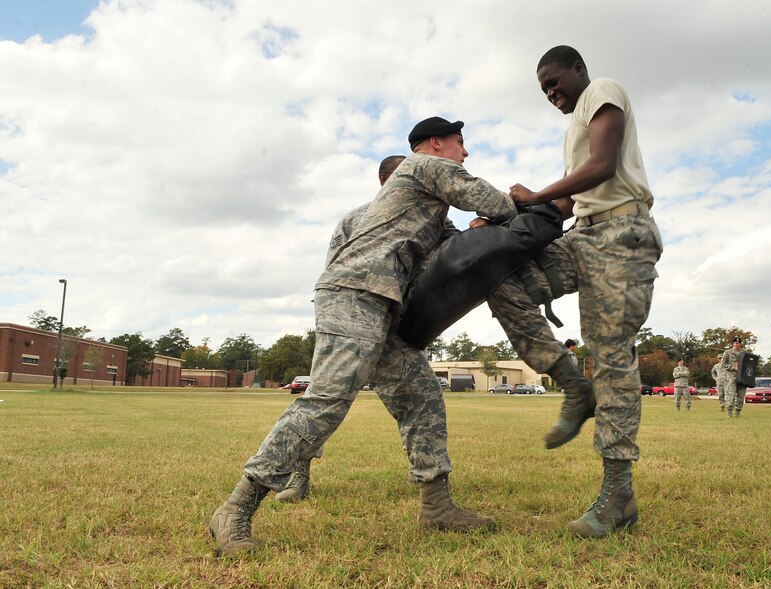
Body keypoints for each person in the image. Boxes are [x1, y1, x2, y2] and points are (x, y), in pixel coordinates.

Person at [209, 117, 518, 556]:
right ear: (435, 143)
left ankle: (437, 505)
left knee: (422, 395)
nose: (464, 153)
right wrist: (526, 202)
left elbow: (453, 249)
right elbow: (490, 200)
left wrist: (478, 234)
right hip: (355, 295)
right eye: (460, 144)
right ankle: (236, 509)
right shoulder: (422, 166)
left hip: (384, 305)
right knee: (328, 400)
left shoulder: (426, 210)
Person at [487, 45, 662, 538]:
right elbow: (565, 203)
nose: (550, 93)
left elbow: (603, 165)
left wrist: (535, 193)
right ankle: (572, 384)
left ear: (578, 70)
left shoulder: (601, 92)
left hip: (621, 236)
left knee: (610, 357)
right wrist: (506, 217)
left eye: (554, 81)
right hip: (583, 235)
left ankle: (618, 498)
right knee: (499, 277)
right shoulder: (572, 131)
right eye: (542, 89)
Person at [275, 155, 409, 503]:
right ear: (385, 182)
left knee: (420, 399)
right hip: (350, 322)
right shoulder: (355, 219)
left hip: (395, 325)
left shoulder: (427, 218)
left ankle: (430, 481)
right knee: (324, 399)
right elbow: (332, 275)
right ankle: (298, 475)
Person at [720, 337, 747, 418]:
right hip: (732, 376)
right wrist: (733, 367)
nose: (736, 344)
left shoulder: (744, 353)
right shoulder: (727, 352)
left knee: (741, 395)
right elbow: (723, 364)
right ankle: (729, 412)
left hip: (742, 377)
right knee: (731, 395)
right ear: (732, 344)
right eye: (734, 343)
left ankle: (738, 412)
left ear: (740, 344)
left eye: (738, 343)